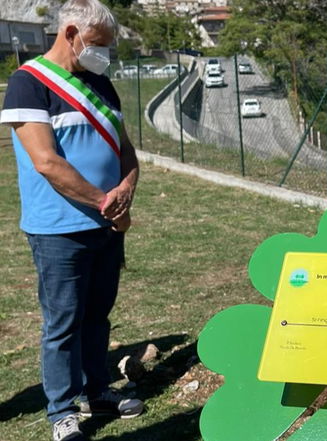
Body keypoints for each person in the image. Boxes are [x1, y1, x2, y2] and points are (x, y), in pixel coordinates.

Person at [0, 1, 142, 440]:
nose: (105, 53)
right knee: (63, 321)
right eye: (99, 44)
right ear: (72, 33)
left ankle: (97, 390)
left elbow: (125, 149)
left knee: (98, 314)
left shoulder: (100, 83)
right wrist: (106, 202)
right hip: (58, 228)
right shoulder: (27, 84)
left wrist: (127, 190)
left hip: (105, 225)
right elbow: (45, 162)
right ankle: (62, 410)